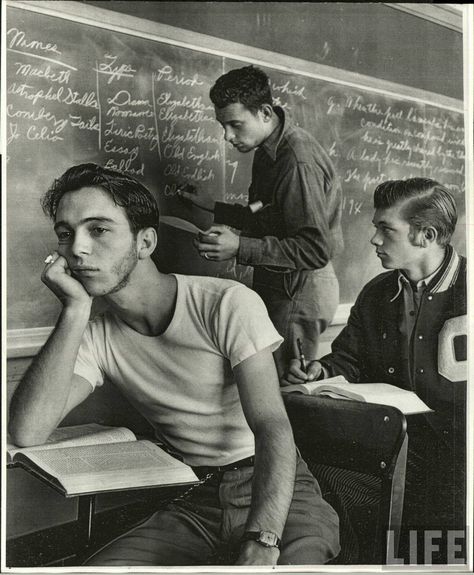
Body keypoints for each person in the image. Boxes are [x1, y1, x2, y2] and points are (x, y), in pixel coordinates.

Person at [8, 163, 339, 567]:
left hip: (275, 489)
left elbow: (272, 425)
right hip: (195, 496)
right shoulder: (96, 333)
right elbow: (28, 431)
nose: (76, 249)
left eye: (98, 229)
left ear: (145, 242)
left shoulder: (226, 303)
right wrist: (75, 310)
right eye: (65, 233)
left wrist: (264, 537)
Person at [286, 178, 467, 564]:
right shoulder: (377, 293)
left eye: (386, 229)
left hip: (456, 460)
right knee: (315, 472)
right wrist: (320, 372)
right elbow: (348, 360)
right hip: (391, 444)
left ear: (427, 235)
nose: (374, 240)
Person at [179, 65, 344, 376]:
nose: (227, 136)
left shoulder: (296, 161)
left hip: (300, 291)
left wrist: (239, 247)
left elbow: (315, 249)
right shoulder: (268, 151)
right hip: (283, 287)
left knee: (287, 391)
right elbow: (262, 212)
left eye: (235, 125)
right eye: (222, 126)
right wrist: (212, 206)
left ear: (265, 113)